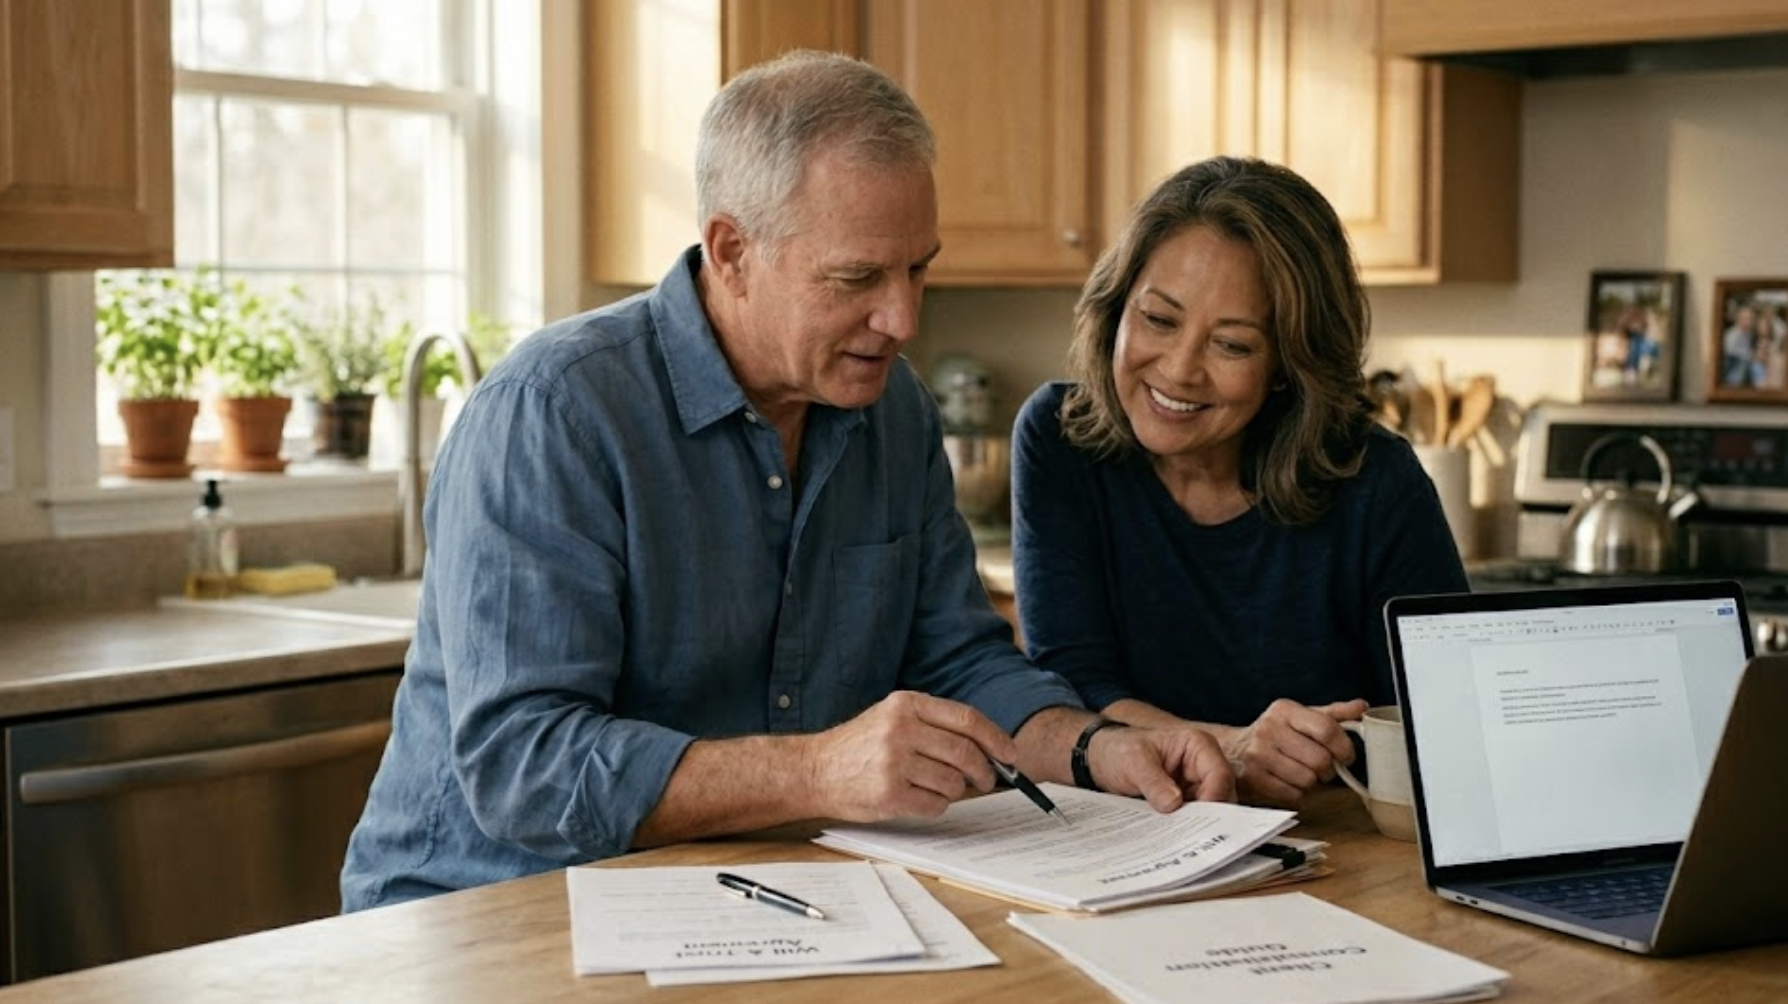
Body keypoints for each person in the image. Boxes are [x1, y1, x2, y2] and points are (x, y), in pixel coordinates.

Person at [340, 51, 1233, 911]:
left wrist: (1094, 749)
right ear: (731, 251)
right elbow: (524, 768)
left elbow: (956, 660)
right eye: (858, 277)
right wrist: (819, 771)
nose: (903, 318)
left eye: (918, 268)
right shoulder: (554, 414)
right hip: (481, 911)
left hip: (741, 897)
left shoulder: (896, 412)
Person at [1010, 156, 1469, 810]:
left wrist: (1316, 751)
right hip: (1134, 822)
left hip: (1331, 831)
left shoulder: (1377, 480)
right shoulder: (1060, 437)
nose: (1178, 370)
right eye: (1158, 319)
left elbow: (1446, 721)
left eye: (1232, 345)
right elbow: (1074, 687)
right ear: (1117, 308)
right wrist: (1231, 748)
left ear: (1287, 365)